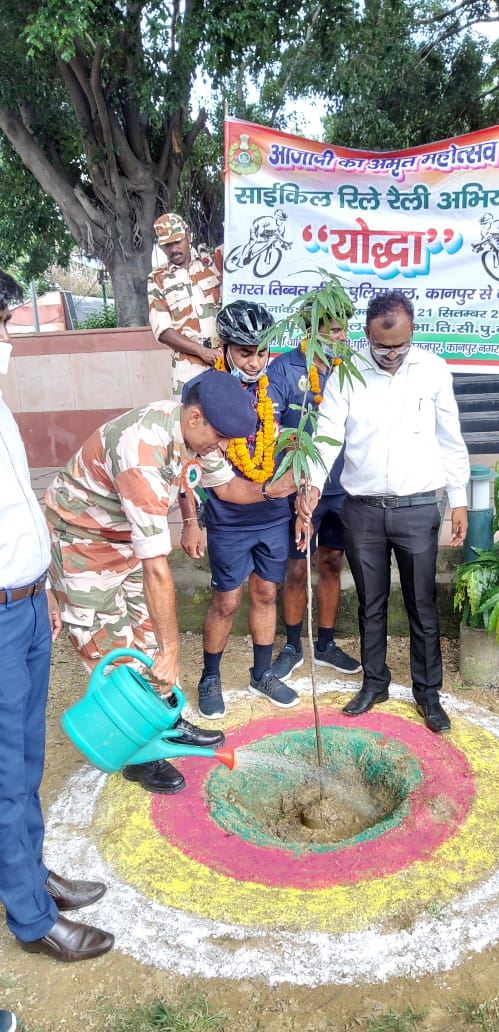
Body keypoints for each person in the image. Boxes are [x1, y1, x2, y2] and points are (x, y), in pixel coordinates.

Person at [45, 370, 295, 795]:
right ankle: (140, 758)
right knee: (115, 655)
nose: (223, 448)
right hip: (83, 547)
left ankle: (167, 722)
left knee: (146, 638)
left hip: (122, 539)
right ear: (195, 418)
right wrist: (173, 650)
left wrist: (275, 490)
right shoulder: (142, 452)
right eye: (219, 438)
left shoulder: (196, 434)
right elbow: (158, 569)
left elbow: (230, 488)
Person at [0, 270, 113, 962]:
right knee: (5, 771)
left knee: (27, 758)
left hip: (23, 602)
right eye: (1, 326)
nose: (7, 339)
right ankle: (32, 917)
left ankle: (29, 872)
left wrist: (36, 586)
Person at [296, 290, 469, 732]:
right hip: (363, 512)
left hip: (417, 509)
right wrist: (312, 485)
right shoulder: (346, 375)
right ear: (366, 335)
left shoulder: (432, 370)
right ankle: (375, 683)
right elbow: (329, 436)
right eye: (381, 346)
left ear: (413, 333)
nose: (390, 355)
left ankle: (428, 694)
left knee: (422, 605)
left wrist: (460, 499)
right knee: (371, 604)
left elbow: (450, 437)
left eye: (399, 345)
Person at [193, 302, 299, 718]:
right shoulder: (202, 389)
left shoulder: (278, 385)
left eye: (261, 351)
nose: (254, 362)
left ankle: (261, 673)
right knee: (227, 601)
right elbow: (188, 461)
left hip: (274, 516)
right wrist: (190, 518)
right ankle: (210, 677)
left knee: (266, 592)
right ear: (224, 347)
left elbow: (294, 441)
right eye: (244, 352)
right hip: (228, 516)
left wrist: (301, 500)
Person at [268, 294, 361, 679]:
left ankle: (324, 644)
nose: (341, 337)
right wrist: (296, 469)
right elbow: (270, 429)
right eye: (333, 330)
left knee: (331, 563)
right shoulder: (285, 370)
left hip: (341, 486)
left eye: (345, 329)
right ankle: (292, 645)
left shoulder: (351, 368)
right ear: (311, 330)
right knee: (295, 567)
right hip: (298, 486)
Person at [147, 213, 223, 399]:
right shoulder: (157, 279)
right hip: (188, 366)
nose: (173, 249)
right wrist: (202, 352)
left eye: (177, 241)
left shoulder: (212, 263)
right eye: (167, 245)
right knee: (190, 421)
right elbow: (163, 331)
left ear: (189, 235)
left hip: (224, 357)